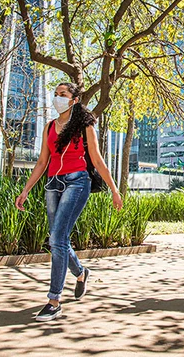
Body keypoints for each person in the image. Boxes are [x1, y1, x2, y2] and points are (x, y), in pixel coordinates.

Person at [15, 82, 122, 322]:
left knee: (57, 239)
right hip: (53, 183)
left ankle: (54, 300)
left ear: (74, 100)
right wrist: (25, 191)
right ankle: (81, 272)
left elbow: (97, 158)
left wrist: (114, 189)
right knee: (57, 239)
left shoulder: (85, 126)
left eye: (62, 94)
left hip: (77, 182)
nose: (57, 98)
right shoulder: (50, 127)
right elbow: (42, 162)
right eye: (55, 94)